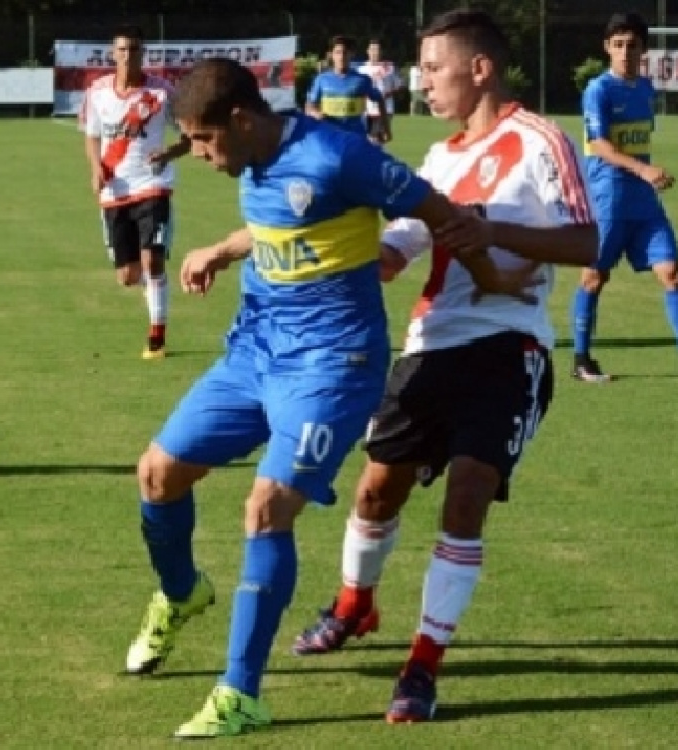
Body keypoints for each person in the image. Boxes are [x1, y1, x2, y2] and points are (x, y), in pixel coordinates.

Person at [124, 55, 540, 739]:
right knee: (156, 475)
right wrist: (223, 249)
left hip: (331, 367)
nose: (197, 154)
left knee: (267, 508)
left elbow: (438, 210)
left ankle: (240, 692)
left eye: (203, 139)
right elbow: (283, 223)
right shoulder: (253, 158)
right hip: (254, 354)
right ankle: (181, 592)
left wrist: (490, 277)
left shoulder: (338, 155)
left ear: (241, 119)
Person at [292, 9, 598, 724]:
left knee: (466, 495)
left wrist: (490, 230)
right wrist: (333, 255)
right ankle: (354, 604)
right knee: (376, 492)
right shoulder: (438, 157)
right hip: (429, 347)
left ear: (480, 68)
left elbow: (586, 242)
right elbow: (397, 247)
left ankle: (422, 667)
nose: (421, 81)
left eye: (432, 68)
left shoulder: (542, 140)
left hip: (510, 347)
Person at [571, 12, 678, 382]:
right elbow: (600, 145)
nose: (625, 52)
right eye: (618, 45)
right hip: (609, 199)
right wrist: (644, 170)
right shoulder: (598, 90)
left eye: (632, 45)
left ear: (643, 49)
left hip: (644, 204)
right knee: (594, 277)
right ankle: (581, 360)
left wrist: (646, 176)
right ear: (607, 48)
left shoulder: (645, 88)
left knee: (672, 274)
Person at [80, 24, 190, 360]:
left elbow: (190, 135)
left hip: (153, 186)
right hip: (115, 190)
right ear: (113, 54)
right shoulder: (97, 92)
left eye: (135, 49)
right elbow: (92, 136)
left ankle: (157, 336)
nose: (128, 55)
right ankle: (153, 287)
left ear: (144, 53)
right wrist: (96, 168)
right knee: (128, 276)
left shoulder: (162, 92)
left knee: (152, 260)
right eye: (122, 49)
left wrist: (170, 152)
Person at [305, 35, 389, 140]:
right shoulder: (322, 79)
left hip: (355, 137)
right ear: (331, 55)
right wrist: (315, 113)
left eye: (345, 52)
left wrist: (386, 128)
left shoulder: (362, 80)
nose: (341, 57)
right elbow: (309, 105)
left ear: (351, 54)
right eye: (338, 52)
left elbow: (379, 99)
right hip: (330, 137)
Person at [357, 39, 403, 143]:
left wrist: (388, 93)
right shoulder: (361, 69)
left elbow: (400, 86)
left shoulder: (389, 68)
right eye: (372, 49)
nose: (375, 52)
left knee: (376, 138)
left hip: (385, 108)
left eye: (377, 50)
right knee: (371, 139)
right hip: (367, 109)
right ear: (368, 51)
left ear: (381, 52)